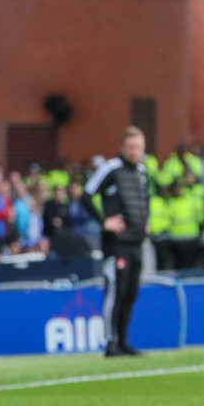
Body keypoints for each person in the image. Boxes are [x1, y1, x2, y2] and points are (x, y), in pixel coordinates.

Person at [81, 126, 150, 357]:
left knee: (131, 292)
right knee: (116, 292)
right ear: (122, 147)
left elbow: (144, 200)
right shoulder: (110, 169)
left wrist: (145, 222)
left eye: (138, 147)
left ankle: (124, 341)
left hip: (136, 242)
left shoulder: (142, 171)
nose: (135, 151)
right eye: (131, 147)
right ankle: (110, 343)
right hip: (117, 243)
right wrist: (103, 221)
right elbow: (87, 194)